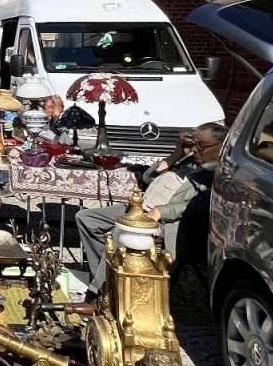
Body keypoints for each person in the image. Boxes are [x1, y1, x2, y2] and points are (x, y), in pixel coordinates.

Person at [74, 122, 228, 292]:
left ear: (221, 146)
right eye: (194, 143)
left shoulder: (219, 173)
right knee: (86, 218)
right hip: (139, 210)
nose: (195, 149)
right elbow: (148, 178)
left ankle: (99, 292)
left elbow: (201, 203)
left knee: (121, 231)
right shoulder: (190, 160)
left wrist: (160, 211)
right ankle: (109, 280)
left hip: (168, 223)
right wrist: (177, 153)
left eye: (202, 145)